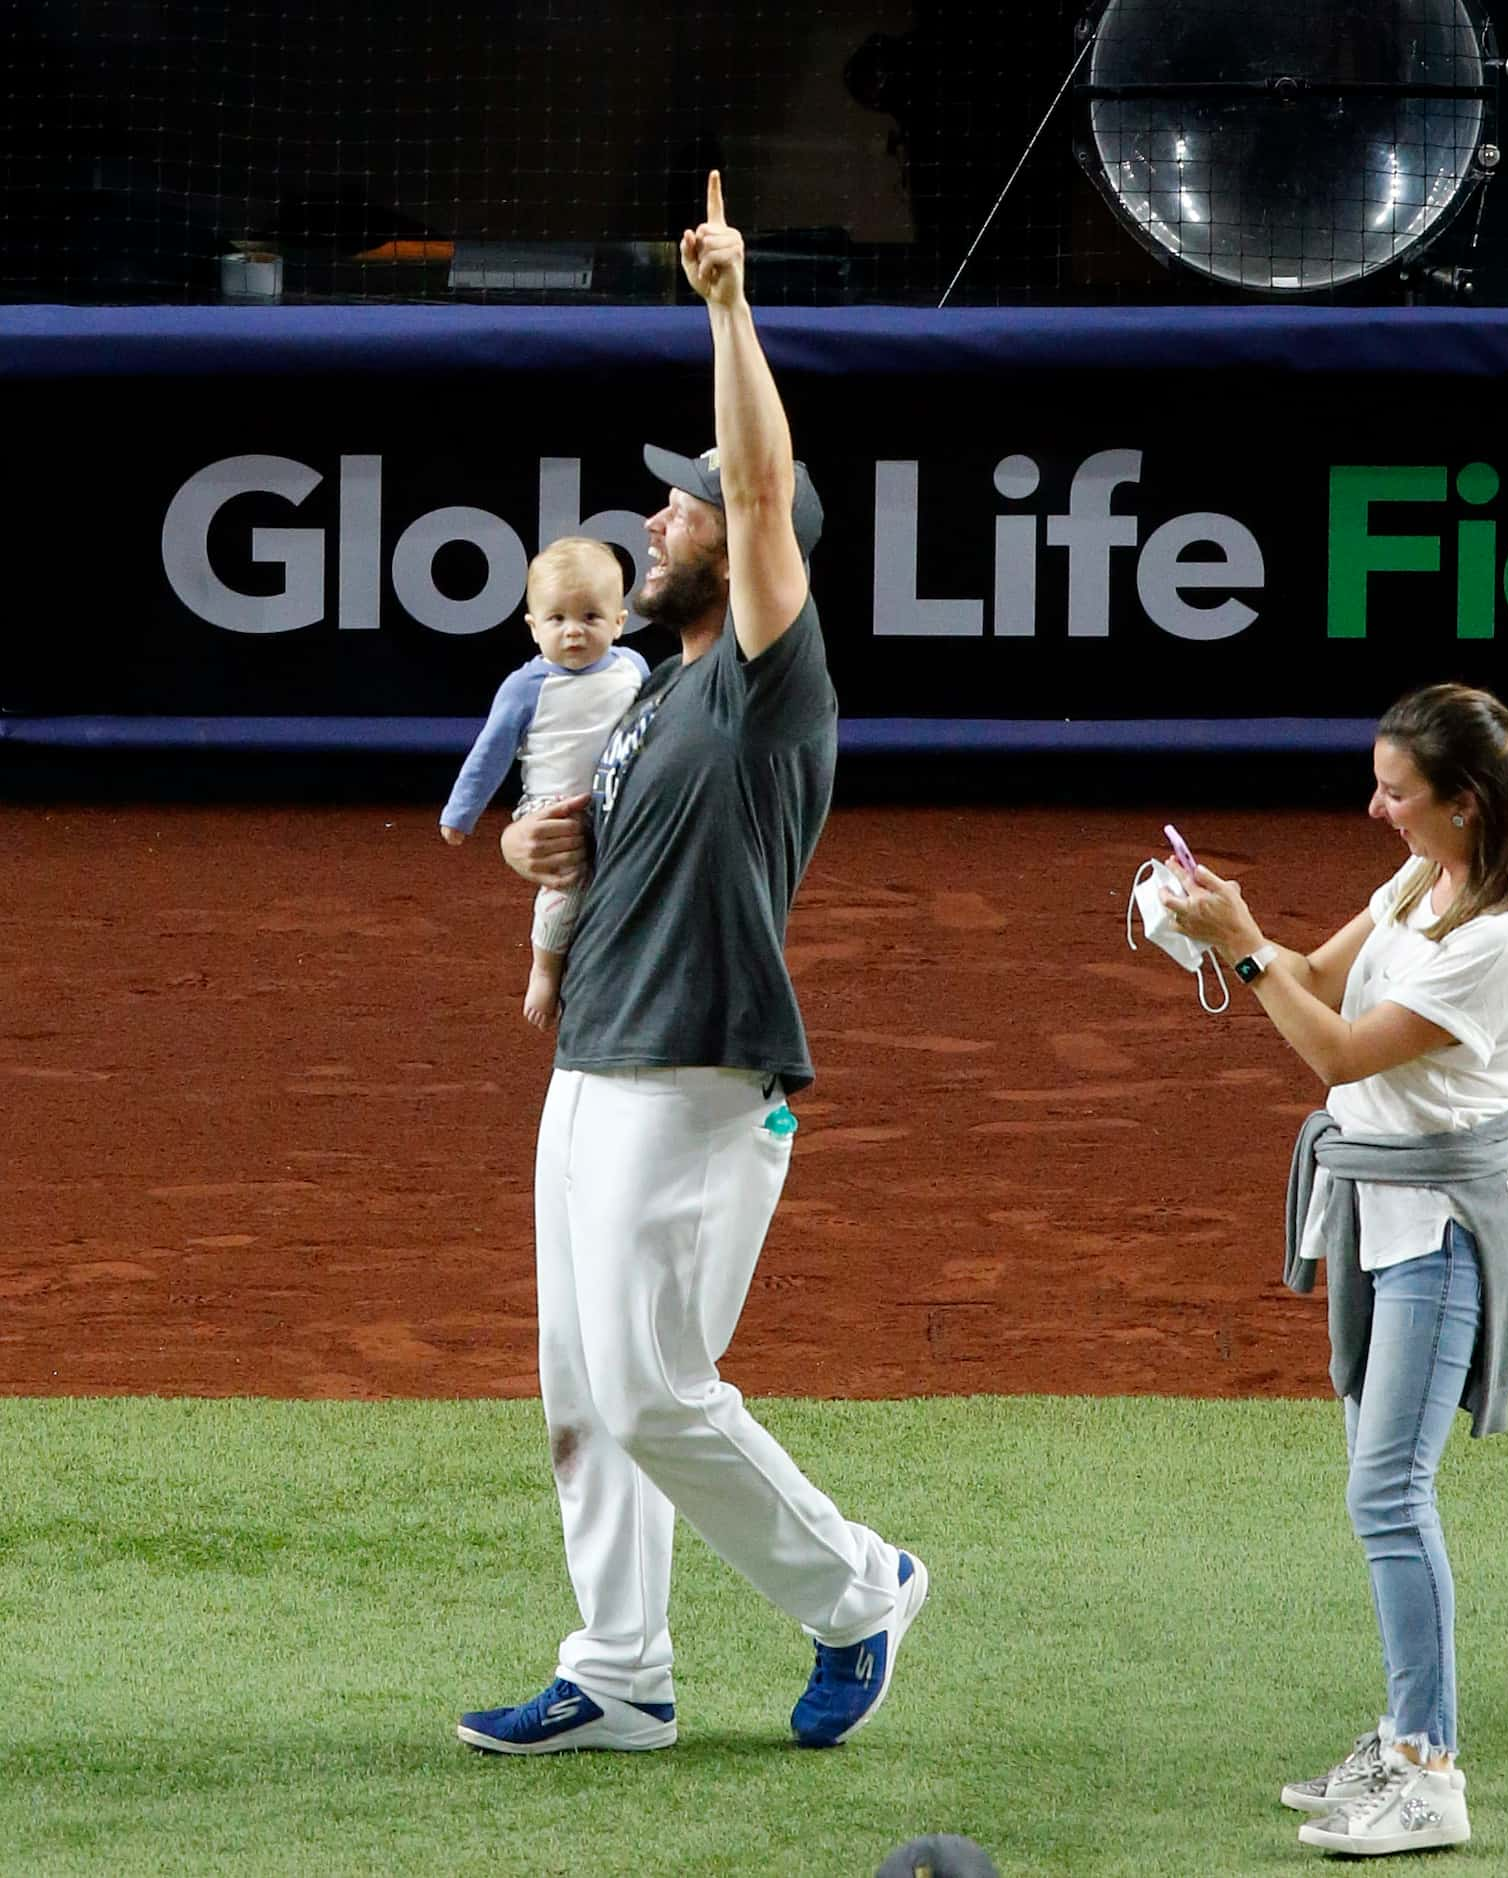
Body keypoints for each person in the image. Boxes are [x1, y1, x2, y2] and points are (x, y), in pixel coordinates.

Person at [456, 172, 927, 1757]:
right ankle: (618, 1669)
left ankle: (858, 1587)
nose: (648, 518)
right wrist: (542, 859)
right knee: (583, 1386)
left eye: (682, 501)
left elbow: (763, 463)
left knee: (658, 1385)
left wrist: (727, 302)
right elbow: (604, 845)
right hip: (594, 1058)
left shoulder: (772, 681)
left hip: (703, 1075)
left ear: (751, 537)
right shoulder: (657, 689)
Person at [1160, 684, 1508, 1858]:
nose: (1375, 806)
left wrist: (1240, 954)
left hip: (1439, 1227)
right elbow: (1319, 976)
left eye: (1397, 791)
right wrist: (1213, 931)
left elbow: (1333, 1045)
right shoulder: (1418, 880)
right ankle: (1397, 1734)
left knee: (1387, 1495)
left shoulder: (1501, 936)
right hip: (1371, 1208)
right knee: (1374, 1485)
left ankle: (1429, 1770)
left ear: (1466, 803)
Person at [439, 537, 647, 1027]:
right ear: (534, 629)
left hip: (622, 805)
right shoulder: (524, 687)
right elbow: (489, 754)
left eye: (591, 618)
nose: (573, 632)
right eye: (557, 620)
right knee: (566, 885)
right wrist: (459, 814)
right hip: (555, 808)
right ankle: (545, 970)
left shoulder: (634, 669)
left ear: (620, 622)